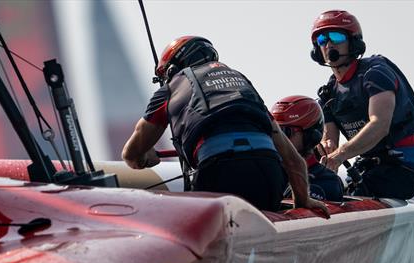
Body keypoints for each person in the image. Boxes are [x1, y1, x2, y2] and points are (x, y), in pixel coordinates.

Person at [122, 36, 329, 216]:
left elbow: (130, 155)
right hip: (268, 174)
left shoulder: (171, 88)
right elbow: (293, 160)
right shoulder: (242, 85)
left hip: (218, 171)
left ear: (173, 70)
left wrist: (144, 156)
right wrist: (303, 203)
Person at [311, 10, 414, 200]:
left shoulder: (375, 74)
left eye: (336, 36)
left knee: (349, 197)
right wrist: (325, 147)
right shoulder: (329, 93)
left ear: (354, 42)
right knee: (323, 191)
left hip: (400, 170)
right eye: (322, 39)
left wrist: (340, 155)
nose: (329, 44)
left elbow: (379, 125)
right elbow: (330, 141)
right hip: (365, 168)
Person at [270, 95, 343, 202]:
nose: (277, 138)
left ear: (310, 135)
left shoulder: (326, 181)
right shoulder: (266, 172)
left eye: (285, 132)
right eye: (273, 132)